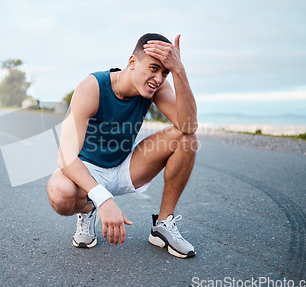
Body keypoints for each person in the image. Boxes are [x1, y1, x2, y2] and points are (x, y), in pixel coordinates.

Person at [46, 33, 198, 258]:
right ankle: (88, 210)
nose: (158, 78)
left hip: (125, 166)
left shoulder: (156, 88)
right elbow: (66, 157)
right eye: (154, 68)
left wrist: (179, 70)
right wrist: (102, 199)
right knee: (60, 194)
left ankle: (163, 226)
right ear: (132, 62)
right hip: (88, 171)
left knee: (187, 139)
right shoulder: (93, 86)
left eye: (165, 72)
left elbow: (189, 125)